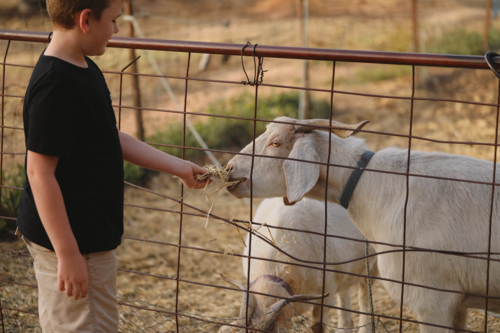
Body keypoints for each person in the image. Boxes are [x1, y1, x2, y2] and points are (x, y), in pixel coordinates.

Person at [16, 0, 208, 331]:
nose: (117, 30)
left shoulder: (82, 66)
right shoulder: (56, 85)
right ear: (86, 20)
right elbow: (39, 172)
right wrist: (68, 254)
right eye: (114, 20)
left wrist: (177, 166)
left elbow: (108, 136)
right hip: (77, 245)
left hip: (87, 239)